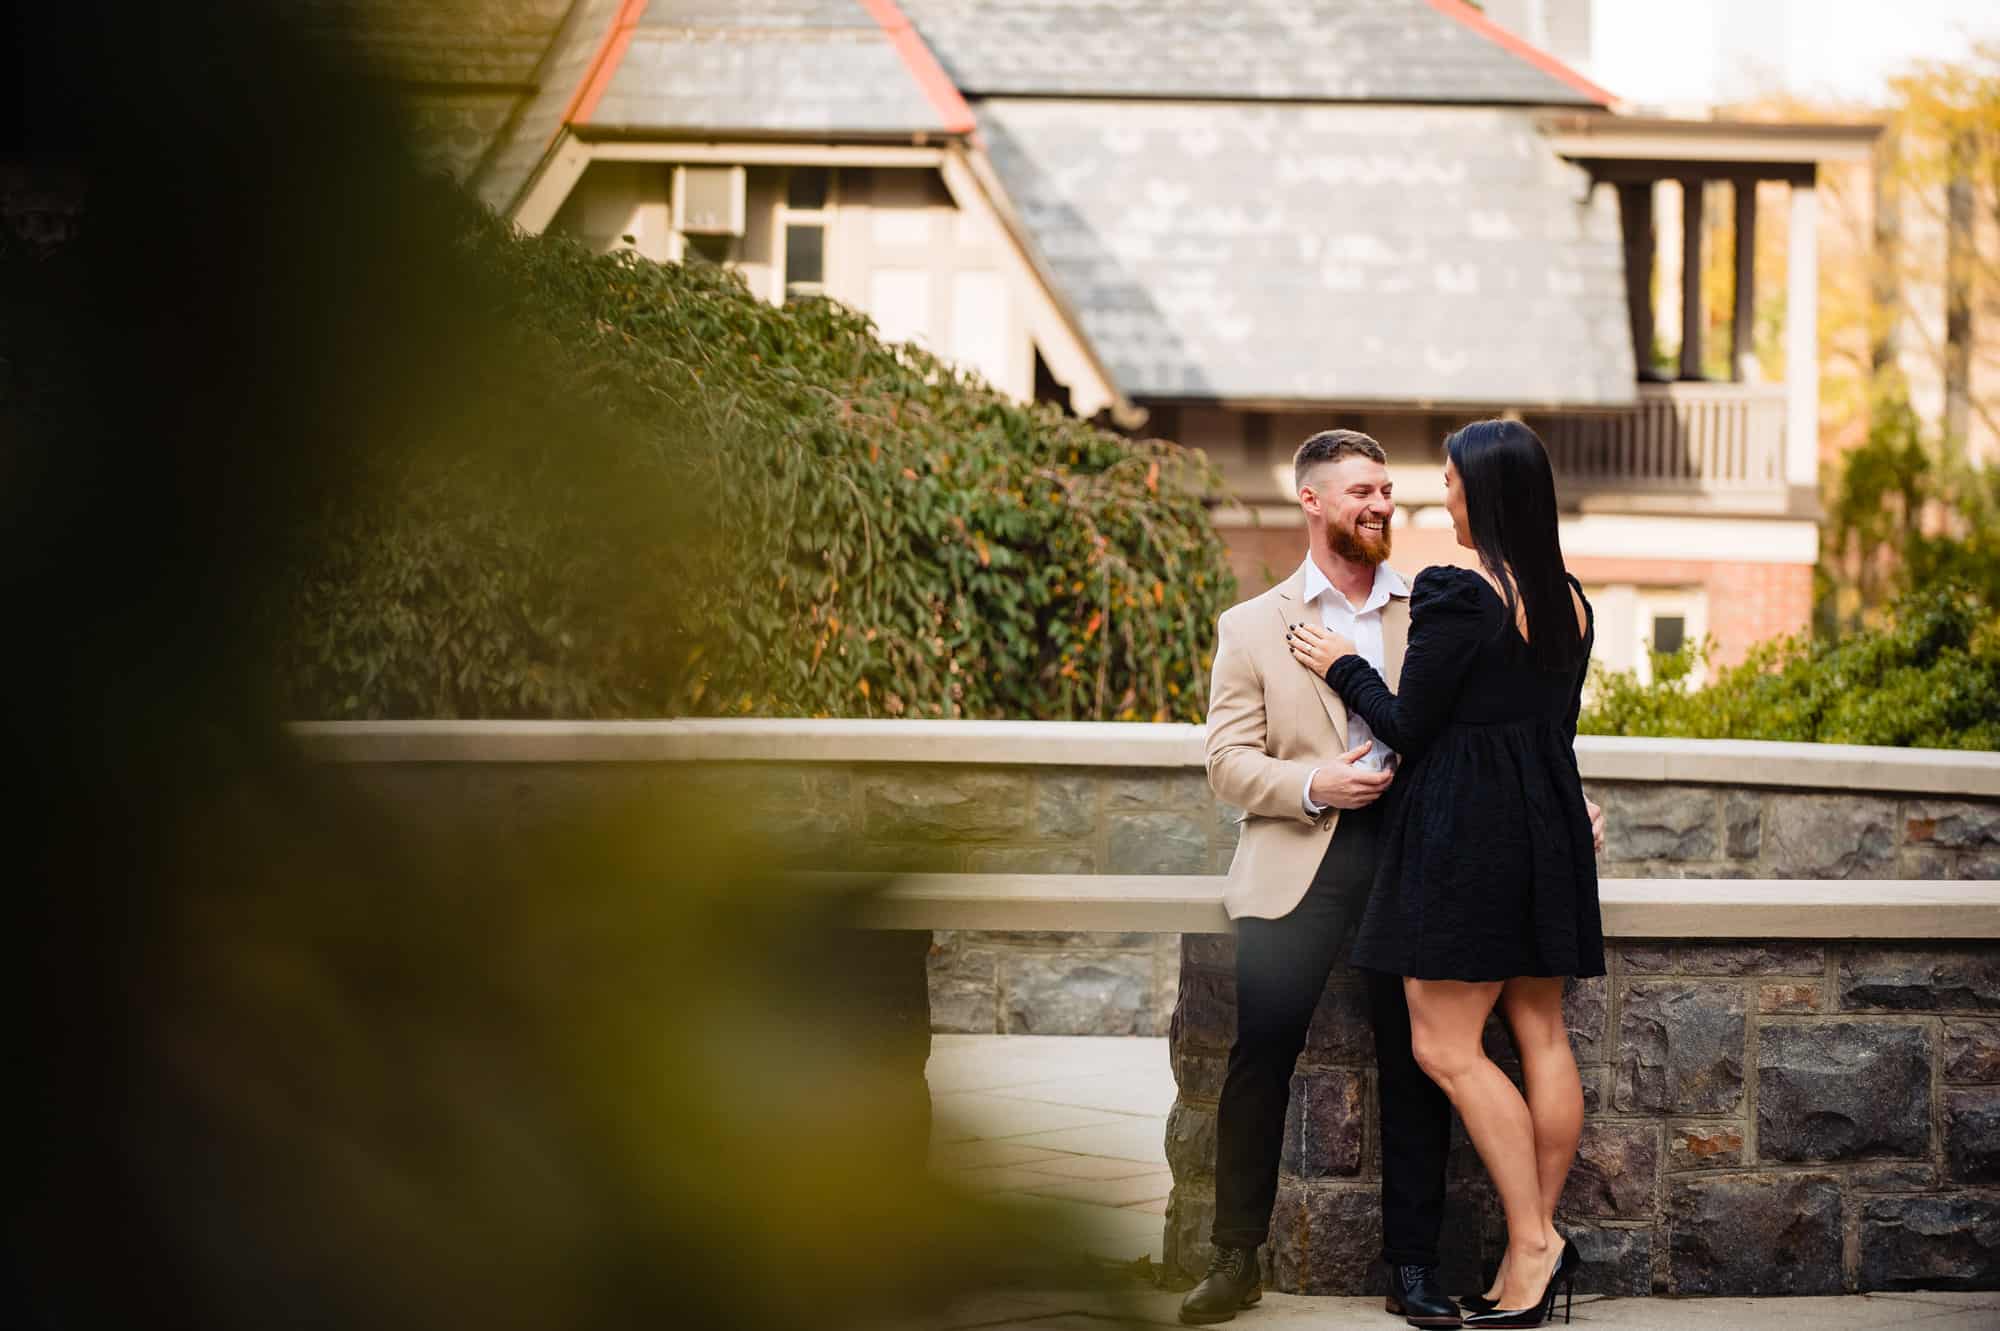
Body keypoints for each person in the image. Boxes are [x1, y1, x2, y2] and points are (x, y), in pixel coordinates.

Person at [1185, 429, 1604, 1329]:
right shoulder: (1250, 625)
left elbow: (1479, 715)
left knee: (1420, 1068)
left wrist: (1559, 805)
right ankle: (1233, 1256)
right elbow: (1224, 763)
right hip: (1300, 860)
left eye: (1390, 488)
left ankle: (1413, 1265)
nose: (1384, 505)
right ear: (1312, 501)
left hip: (1425, 852)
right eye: (1362, 492)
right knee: (1262, 1052)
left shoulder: (1446, 598)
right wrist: (1310, 784)